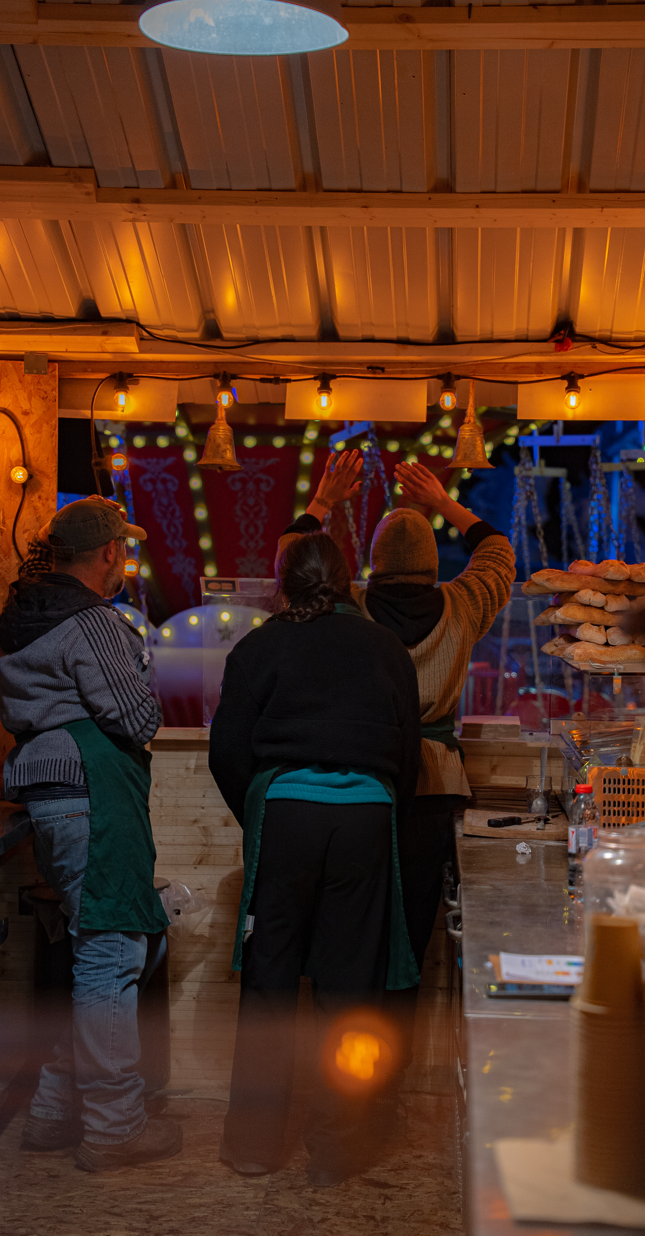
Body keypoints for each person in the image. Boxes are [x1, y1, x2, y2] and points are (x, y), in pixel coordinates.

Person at [279, 451, 515, 1067]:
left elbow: (291, 564)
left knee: (352, 928)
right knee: (409, 933)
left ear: (375, 564)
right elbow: (498, 554)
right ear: (434, 563)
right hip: (434, 786)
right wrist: (444, 503)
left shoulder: (346, 608)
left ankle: (343, 1062)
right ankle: (392, 1069)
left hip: (362, 780)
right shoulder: (465, 604)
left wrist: (323, 503)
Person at [209, 530, 421, 1188]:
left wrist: (264, 817)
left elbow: (227, 752)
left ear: (283, 582)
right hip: (367, 821)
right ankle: (336, 1149)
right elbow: (407, 756)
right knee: (350, 991)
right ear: (350, 579)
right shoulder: (386, 647)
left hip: (285, 818)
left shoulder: (258, 646)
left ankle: (253, 1146)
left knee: (269, 984)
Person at [0, 497, 182, 1172]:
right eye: (123, 548)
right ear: (109, 552)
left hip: (51, 798)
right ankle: (112, 1127)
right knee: (110, 959)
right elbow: (137, 719)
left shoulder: (23, 615)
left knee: (96, 957)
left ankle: (52, 1111)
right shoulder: (92, 619)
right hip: (92, 793)